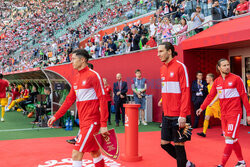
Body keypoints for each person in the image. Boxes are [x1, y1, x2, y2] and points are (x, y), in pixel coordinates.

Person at [48, 49, 109, 167]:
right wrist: (56, 116)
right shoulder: (76, 78)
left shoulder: (93, 75)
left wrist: (104, 124)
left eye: (74, 59)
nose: (72, 62)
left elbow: (103, 99)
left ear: (83, 60)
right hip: (83, 122)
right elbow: (69, 100)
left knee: (76, 154)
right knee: (95, 152)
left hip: (92, 122)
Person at [196, 59, 250, 167]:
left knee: (229, 139)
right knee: (233, 139)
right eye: (224, 65)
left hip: (234, 113)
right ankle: (241, 162)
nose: (227, 67)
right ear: (219, 68)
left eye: (228, 65)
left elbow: (244, 96)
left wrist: (248, 114)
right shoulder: (217, 81)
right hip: (223, 114)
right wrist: (202, 108)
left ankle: (222, 164)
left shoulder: (236, 79)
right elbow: (210, 96)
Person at [158, 42, 195, 167]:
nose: (158, 54)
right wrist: (162, 101)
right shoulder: (162, 69)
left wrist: (183, 114)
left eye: (161, 51)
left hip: (180, 115)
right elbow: (167, 89)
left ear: (169, 52)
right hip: (167, 114)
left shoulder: (180, 67)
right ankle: (188, 164)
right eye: (158, 52)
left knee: (179, 146)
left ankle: (184, 164)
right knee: (164, 144)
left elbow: (185, 91)